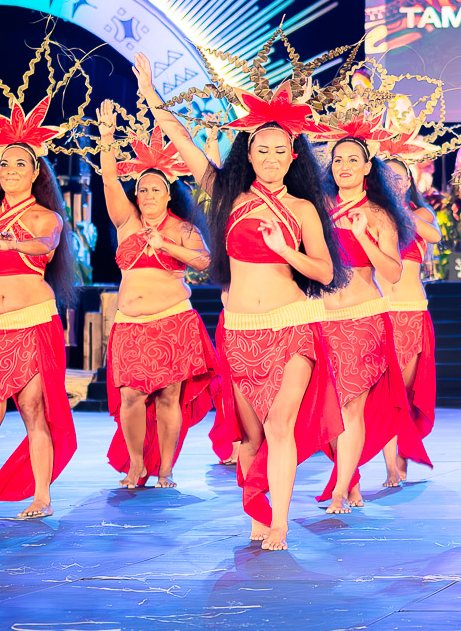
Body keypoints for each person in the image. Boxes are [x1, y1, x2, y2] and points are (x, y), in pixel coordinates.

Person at [133, 49, 345, 550]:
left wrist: (285, 251)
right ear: (248, 154)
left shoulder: (303, 209)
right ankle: (258, 512)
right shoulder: (227, 197)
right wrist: (149, 94)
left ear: (293, 156)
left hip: (291, 327)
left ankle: (281, 523)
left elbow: (324, 270)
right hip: (239, 331)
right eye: (261, 150)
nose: (270, 158)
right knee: (249, 437)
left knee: (279, 424)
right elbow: (184, 141)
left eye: (279, 151)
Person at [0, 65, 82, 520]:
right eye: (4, 163)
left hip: (31, 324)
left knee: (33, 411)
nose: (9, 170)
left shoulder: (46, 217)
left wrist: (15, 244)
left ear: (35, 172)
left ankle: (41, 495)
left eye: (19, 163)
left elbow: (46, 245)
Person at [97, 107, 219, 489]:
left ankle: (165, 468)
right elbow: (108, 181)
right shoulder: (126, 222)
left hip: (172, 322)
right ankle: (136, 464)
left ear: (169, 195)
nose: (148, 194)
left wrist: (165, 244)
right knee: (131, 396)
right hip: (130, 324)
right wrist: (106, 138)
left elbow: (205, 261)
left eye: (156, 189)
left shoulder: (183, 229)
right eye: (143, 189)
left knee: (168, 398)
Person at [315, 118, 427, 511]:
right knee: (326, 407)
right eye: (338, 160)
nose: (344, 166)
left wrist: (363, 235)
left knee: (351, 405)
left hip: (363, 319)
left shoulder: (379, 215)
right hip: (320, 319)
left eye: (353, 160)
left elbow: (393, 272)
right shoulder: (317, 210)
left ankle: (340, 489)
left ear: (367, 167)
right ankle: (350, 477)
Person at [381, 155, 442, 487]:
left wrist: (398, 210)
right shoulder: (371, 213)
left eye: (400, 177)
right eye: (387, 176)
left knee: (402, 393)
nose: (394, 182)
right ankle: (390, 467)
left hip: (411, 311)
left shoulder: (420, 214)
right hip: (378, 311)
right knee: (386, 393)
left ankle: (402, 456)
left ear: (409, 182)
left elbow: (433, 236)